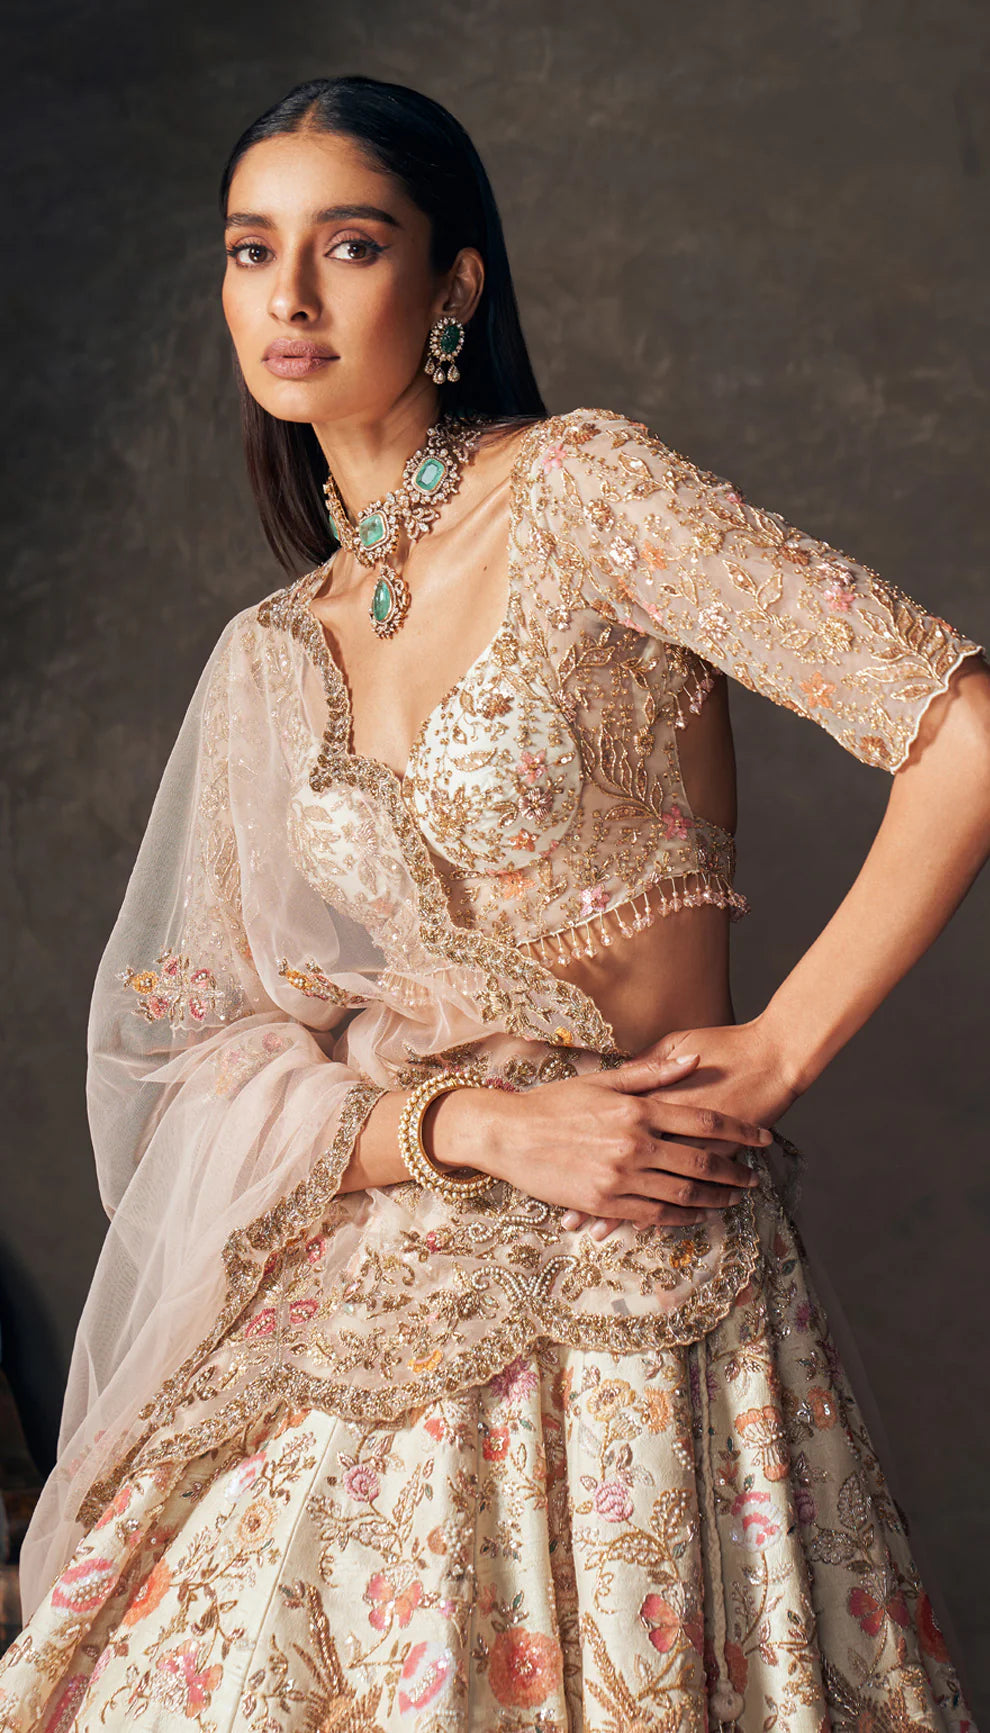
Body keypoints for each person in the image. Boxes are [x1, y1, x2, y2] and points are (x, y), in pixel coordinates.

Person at [0, 71, 986, 1733]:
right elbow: (200, 1058)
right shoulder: (267, 654)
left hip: (639, 1287)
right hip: (375, 1290)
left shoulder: (585, 495)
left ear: (451, 286)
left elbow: (959, 730)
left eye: (350, 245)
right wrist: (471, 1125)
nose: (289, 297)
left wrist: (776, 1051)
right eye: (251, 250)